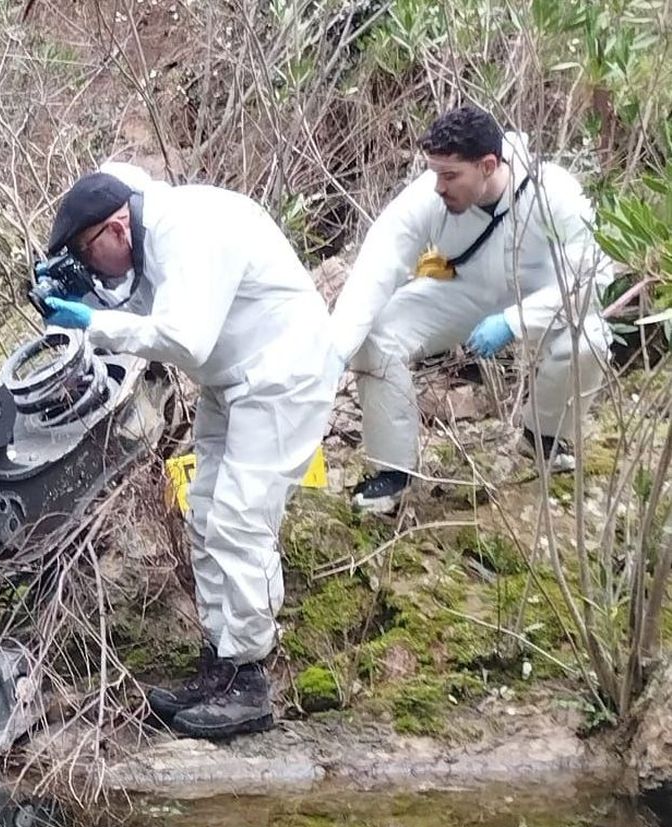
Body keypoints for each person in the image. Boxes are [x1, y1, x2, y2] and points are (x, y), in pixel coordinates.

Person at [37, 161, 339, 739]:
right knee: (204, 514)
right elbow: (156, 318)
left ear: (117, 229)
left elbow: (183, 336)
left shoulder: (189, 230)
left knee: (240, 520)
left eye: (84, 250)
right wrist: (81, 304)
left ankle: (250, 680)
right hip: (235, 378)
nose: (85, 262)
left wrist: (93, 323)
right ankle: (221, 662)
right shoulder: (153, 240)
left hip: (284, 373)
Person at [332, 105, 613, 514]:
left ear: (487, 165)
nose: (439, 187)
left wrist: (515, 321)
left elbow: (589, 277)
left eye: (450, 176)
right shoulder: (427, 198)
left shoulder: (556, 193)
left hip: (541, 300)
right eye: (435, 174)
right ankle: (393, 473)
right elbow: (377, 266)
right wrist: (336, 348)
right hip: (464, 293)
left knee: (591, 339)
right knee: (378, 337)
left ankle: (545, 437)